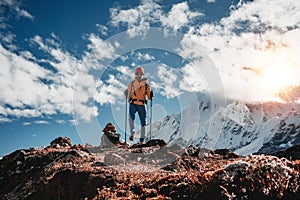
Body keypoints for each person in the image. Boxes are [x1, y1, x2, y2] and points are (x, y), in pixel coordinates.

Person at [124, 66, 153, 143]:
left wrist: (150, 95)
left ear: (142, 74)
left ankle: (142, 140)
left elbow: (149, 97)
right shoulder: (132, 84)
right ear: (135, 74)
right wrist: (126, 94)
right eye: (137, 73)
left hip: (141, 104)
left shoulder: (146, 85)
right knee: (131, 118)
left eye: (140, 73)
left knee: (143, 122)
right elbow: (128, 94)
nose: (138, 75)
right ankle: (132, 134)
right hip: (133, 103)